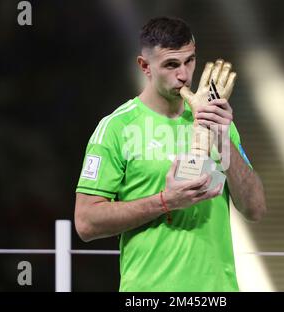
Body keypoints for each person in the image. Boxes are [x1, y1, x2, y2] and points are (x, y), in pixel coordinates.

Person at [74, 16, 266, 292]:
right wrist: (166, 201)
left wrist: (221, 136)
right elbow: (86, 222)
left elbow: (255, 209)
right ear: (144, 66)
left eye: (190, 61)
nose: (185, 75)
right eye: (171, 65)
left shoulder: (217, 121)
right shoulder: (116, 128)